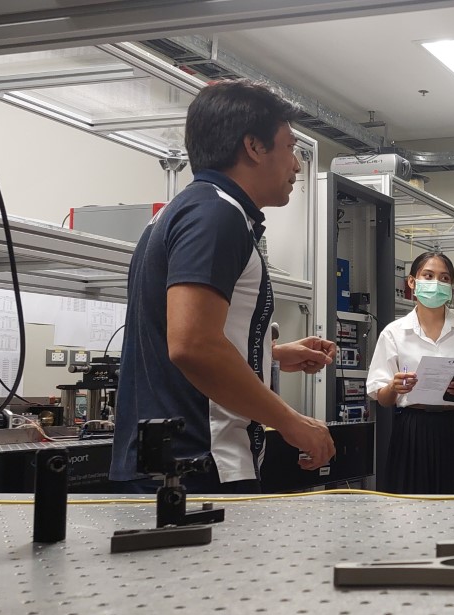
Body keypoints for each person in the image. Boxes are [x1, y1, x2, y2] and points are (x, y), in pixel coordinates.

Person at [110, 80, 337, 495]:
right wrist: (292, 422)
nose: (296, 166)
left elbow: (172, 336)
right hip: (198, 464)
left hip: (170, 461)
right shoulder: (217, 215)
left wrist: (270, 354)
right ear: (254, 146)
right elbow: (193, 345)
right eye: (290, 148)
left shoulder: (184, 210)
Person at [368, 251, 454, 494]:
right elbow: (383, 398)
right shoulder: (394, 332)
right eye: (428, 276)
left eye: (444, 278)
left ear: (451, 286)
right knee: (410, 502)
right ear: (412, 282)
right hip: (412, 428)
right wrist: (394, 387)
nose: (436, 283)